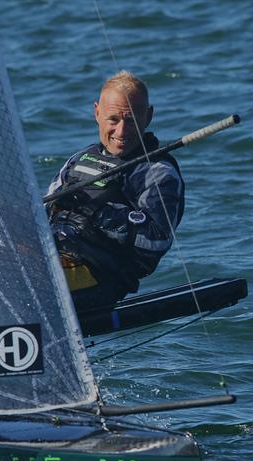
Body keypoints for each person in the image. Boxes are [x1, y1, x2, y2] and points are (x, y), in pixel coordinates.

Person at [46, 71, 184, 310]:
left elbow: (157, 240)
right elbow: (44, 212)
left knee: (16, 278)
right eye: (113, 120)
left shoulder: (157, 172)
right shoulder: (81, 159)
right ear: (97, 113)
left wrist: (98, 212)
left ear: (148, 116)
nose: (121, 132)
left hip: (99, 275)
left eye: (131, 120)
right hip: (53, 254)